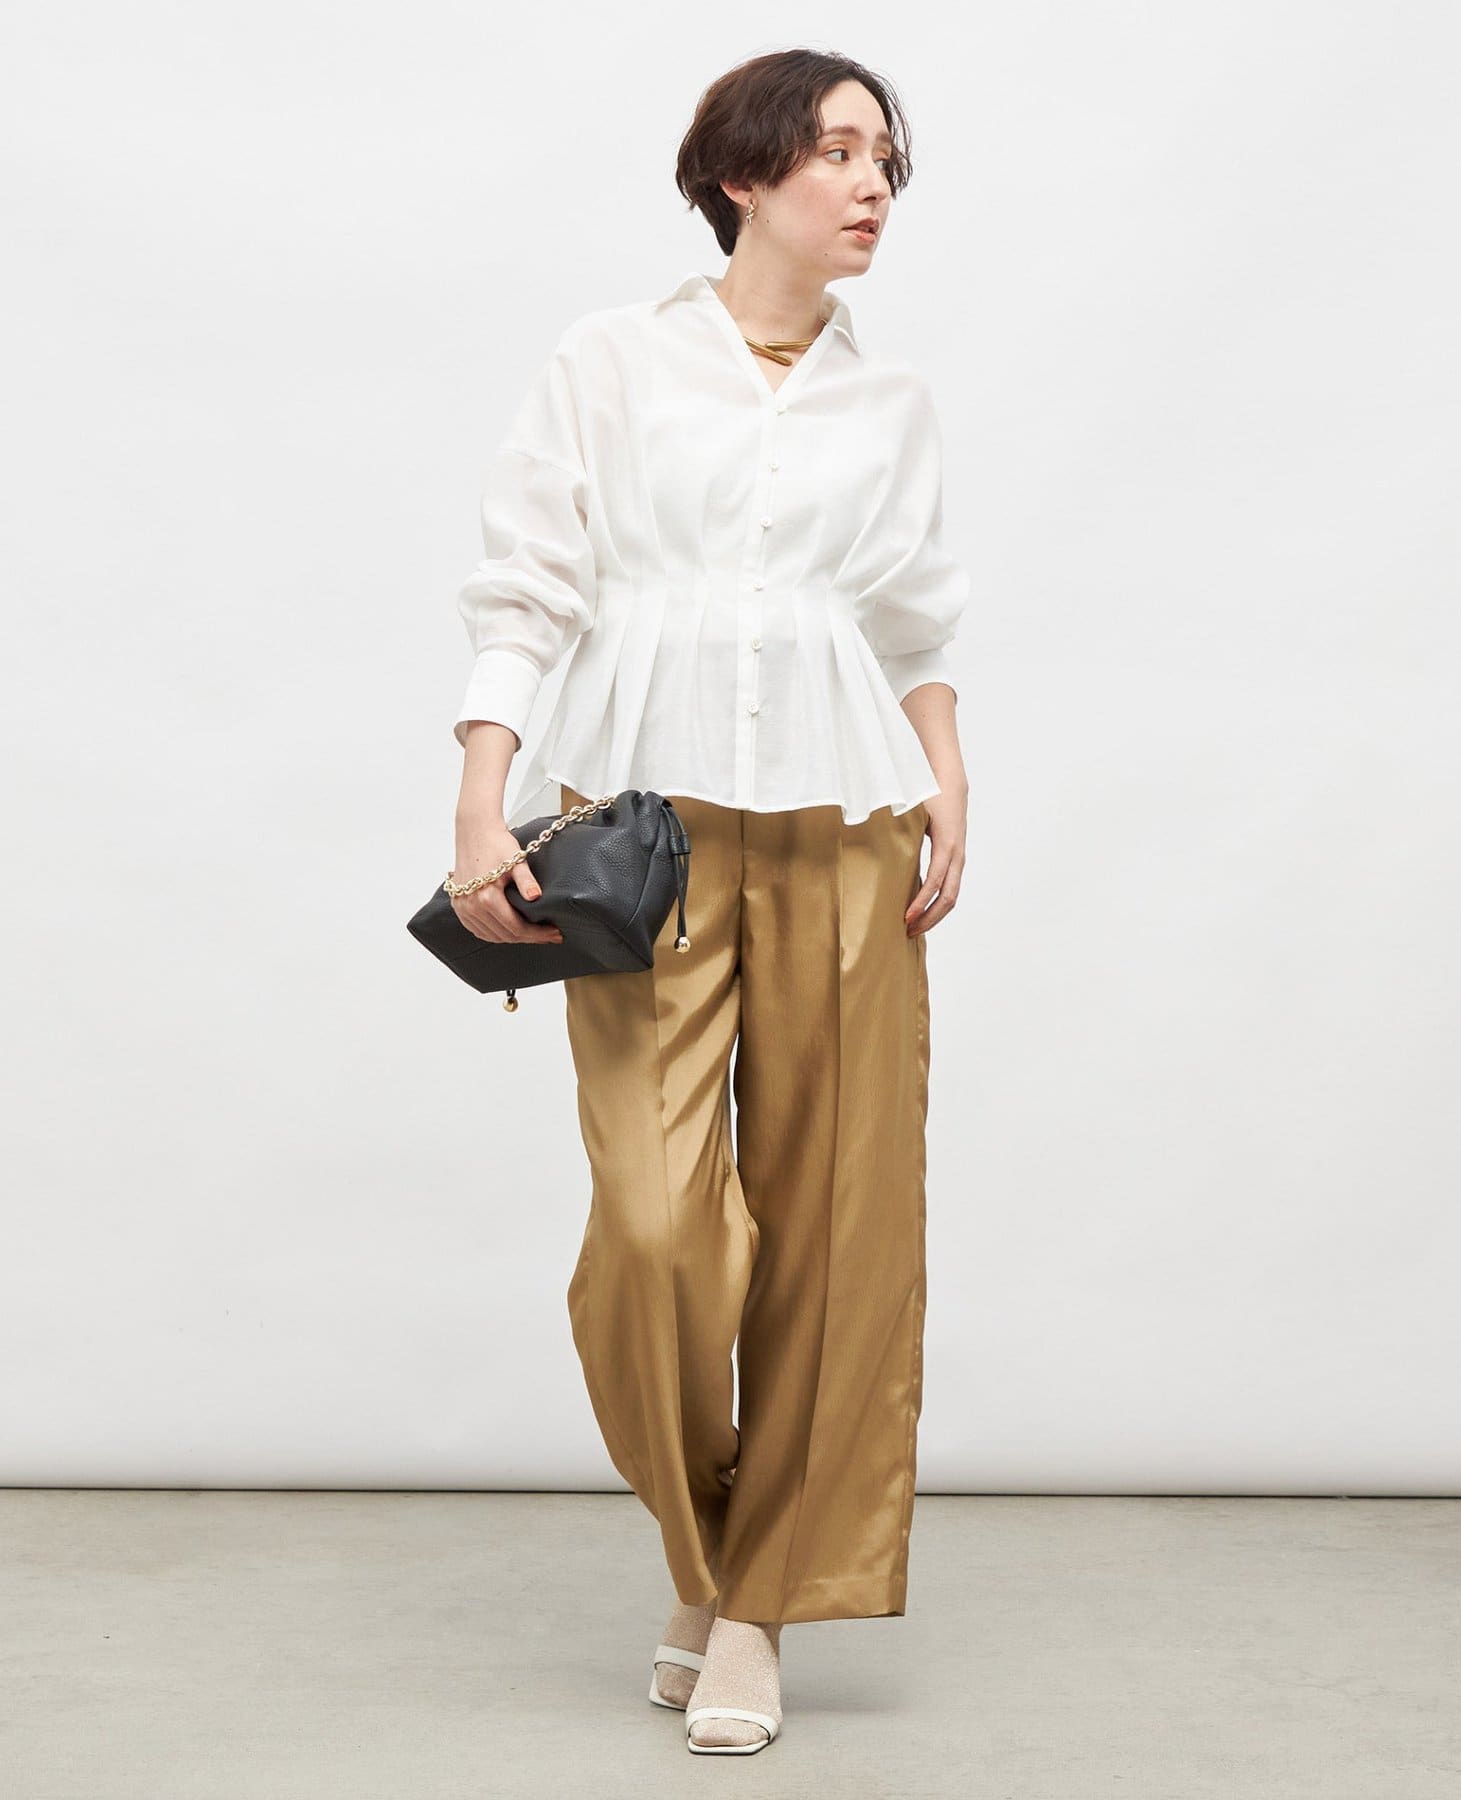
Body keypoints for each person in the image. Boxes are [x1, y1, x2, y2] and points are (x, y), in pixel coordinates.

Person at [446, 48, 970, 1756]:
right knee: (660, 1227)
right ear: (743, 176)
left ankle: (751, 1607)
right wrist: (481, 794)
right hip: (641, 827)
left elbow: (912, 620)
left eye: (885, 158)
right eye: (836, 152)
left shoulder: (891, 404)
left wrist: (947, 776)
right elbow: (527, 584)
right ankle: (710, 1543)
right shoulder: (611, 362)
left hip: (845, 821)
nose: (871, 184)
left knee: (839, 1219)